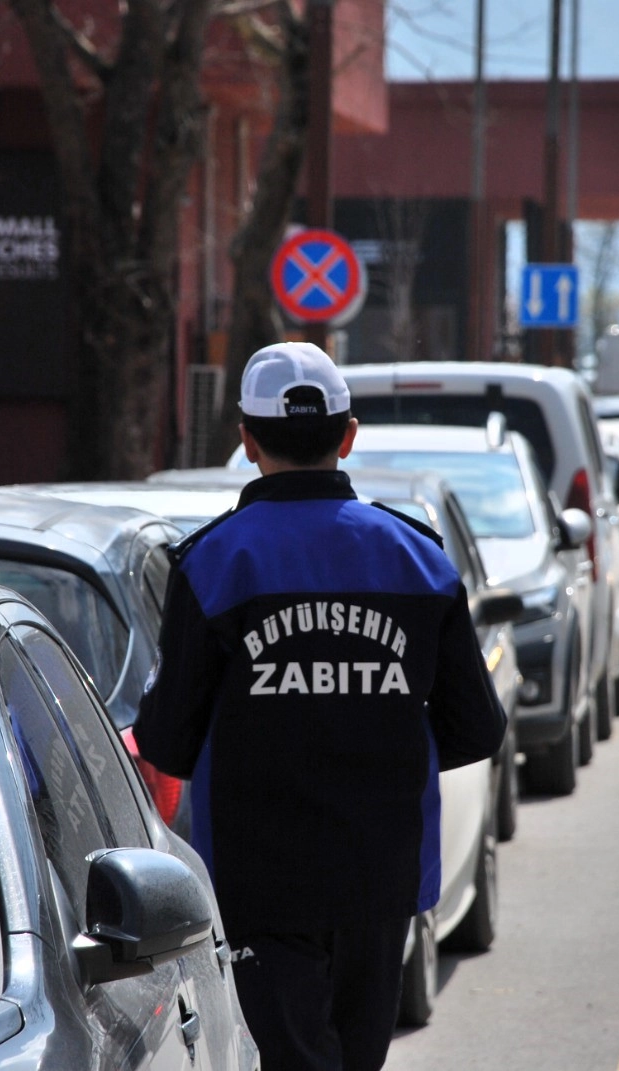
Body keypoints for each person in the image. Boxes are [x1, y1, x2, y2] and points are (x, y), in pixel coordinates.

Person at [133, 342, 507, 1071]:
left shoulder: (214, 561)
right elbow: (477, 725)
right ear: (349, 435)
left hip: (259, 881)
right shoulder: (419, 558)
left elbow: (167, 742)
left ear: (246, 439)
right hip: (382, 873)